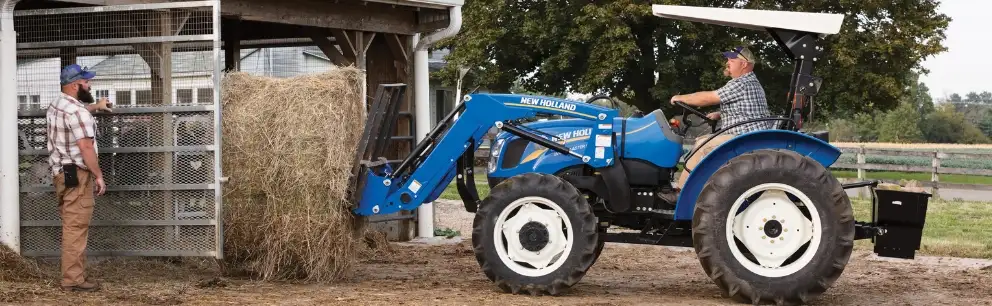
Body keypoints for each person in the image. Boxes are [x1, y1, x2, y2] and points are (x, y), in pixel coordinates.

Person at [658, 45, 774, 203]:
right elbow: (746, 109)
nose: (727, 63)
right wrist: (720, 114)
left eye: (731, 60)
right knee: (701, 140)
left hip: (744, 138)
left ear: (744, 64)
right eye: (727, 60)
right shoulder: (749, 82)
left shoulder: (742, 83)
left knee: (703, 146)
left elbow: (708, 98)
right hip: (746, 134)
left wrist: (681, 98)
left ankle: (681, 193)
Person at [47, 64, 111, 292]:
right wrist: (99, 175)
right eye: (86, 82)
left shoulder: (57, 105)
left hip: (61, 174)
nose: (89, 84)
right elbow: (85, 147)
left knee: (70, 224)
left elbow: (76, 115)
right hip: (78, 175)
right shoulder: (78, 113)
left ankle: (74, 275)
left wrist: (96, 106)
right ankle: (72, 280)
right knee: (75, 227)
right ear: (75, 85)